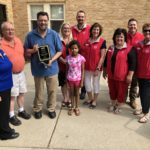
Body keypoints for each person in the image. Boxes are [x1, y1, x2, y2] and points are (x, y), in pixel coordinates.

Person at [24, 11, 62, 119]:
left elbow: (60, 51)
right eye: (41, 20)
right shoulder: (30, 35)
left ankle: (51, 108)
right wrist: (33, 50)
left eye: (45, 20)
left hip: (52, 68)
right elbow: (26, 51)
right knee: (39, 91)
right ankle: (37, 108)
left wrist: (52, 60)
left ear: (48, 21)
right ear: (37, 21)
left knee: (52, 91)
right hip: (38, 69)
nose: (43, 22)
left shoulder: (54, 34)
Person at [0, 22, 31, 126]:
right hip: (10, 75)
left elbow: (23, 54)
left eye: (12, 29)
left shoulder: (17, 40)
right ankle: (11, 115)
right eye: (7, 29)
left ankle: (21, 110)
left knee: (21, 93)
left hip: (21, 73)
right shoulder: (0, 44)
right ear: (2, 32)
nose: (10, 31)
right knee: (12, 96)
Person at [103, 28, 136, 113]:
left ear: (125, 38)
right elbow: (106, 60)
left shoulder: (130, 49)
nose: (119, 39)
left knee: (121, 92)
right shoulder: (111, 48)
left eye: (121, 37)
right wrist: (105, 71)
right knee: (112, 91)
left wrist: (130, 75)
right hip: (111, 75)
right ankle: (113, 104)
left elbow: (133, 64)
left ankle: (119, 106)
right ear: (114, 38)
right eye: (117, 37)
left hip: (122, 76)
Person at [82, 23, 106, 109]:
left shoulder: (102, 41)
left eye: (97, 30)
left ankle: (94, 100)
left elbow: (102, 56)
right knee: (87, 84)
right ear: (91, 30)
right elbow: (83, 54)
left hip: (96, 68)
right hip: (87, 67)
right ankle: (90, 98)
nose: (95, 31)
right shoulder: (87, 41)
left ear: (99, 31)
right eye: (94, 29)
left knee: (95, 84)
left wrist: (98, 68)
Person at [0, 47, 19, 140]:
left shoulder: (1, 51)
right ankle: (4, 133)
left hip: (6, 86)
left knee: (5, 110)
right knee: (2, 112)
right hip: (1, 88)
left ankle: (5, 128)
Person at [72, 10, 90, 100]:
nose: (80, 18)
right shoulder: (72, 29)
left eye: (82, 17)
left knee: (83, 73)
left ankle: (83, 91)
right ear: (76, 18)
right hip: (74, 55)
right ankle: (75, 91)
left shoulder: (89, 29)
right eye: (79, 16)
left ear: (85, 18)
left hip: (85, 56)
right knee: (75, 74)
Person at [134, 23, 150, 123]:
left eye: (149, 30)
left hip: (149, 75)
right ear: (143, 32)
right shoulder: (139, 44)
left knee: (146, 94)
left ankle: (146, 113)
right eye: (145, 30)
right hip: (140, 74)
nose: (147, 32)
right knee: (142, 93)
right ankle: (144, 109)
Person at [127, 18, 144, 109]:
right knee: (124, 82)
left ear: (137, 26)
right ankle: (121, 98)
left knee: (134, 83)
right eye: (131, 24)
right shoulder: (124, 36)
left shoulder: (141, 37)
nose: (132, 26)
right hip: (125, 64)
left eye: (134, 25)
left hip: (137, 65)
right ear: (128, 26)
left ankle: (132, 100)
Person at [66, 40, 85, 116]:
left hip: (78, 79)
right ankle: (72, 106)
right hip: (70, 79)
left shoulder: (81, 58)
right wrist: (66, 80)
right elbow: (67, 69)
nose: (74, 50)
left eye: (76, 48)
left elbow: (83, 70)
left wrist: (82, 81)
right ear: (70, 49)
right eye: (72, 48)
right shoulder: (68, 58)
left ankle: (77, 107)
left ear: (78, 49)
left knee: (76, 94)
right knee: (71, 93)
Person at [58, 23, 72, 108]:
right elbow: (55, 52)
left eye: (68, 28)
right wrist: (62, 60)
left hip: (71, 67)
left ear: (70, 31)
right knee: (63, 84)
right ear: (62, 30)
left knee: (70, 84)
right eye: (64, 28)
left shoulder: (73, 40)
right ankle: (65, 99)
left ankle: (69, 99)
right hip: (61, 66)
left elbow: (77, 52)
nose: (66, 30)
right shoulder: (58, 40)